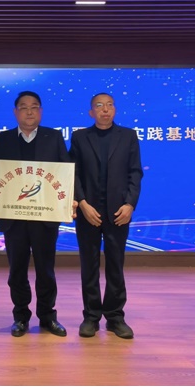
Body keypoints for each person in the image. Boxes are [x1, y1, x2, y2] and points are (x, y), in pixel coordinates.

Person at [0, 91, 72, 338]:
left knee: (46, 271)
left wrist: (68, 201)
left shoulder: (53, 137)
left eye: (34, 107)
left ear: (40, 111)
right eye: (23, 107)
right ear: (15, 112)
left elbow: (65, 172)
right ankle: (20, 317)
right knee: (17, 271)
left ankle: (47, 316)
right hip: (14, 219)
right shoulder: (2, 139)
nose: (29, 111)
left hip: (45, 217)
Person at [68, 92, 143, 339]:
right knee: (88, 266)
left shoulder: (128, 136)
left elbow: (135, 173)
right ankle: (91, 317)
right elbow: (73, 173)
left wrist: (130, 204)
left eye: (110, 105)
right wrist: (82, 203)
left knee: (115, 265)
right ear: (91, 112)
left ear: (115, 110)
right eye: (99, 106)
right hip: (88, 211)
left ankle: (115, 317)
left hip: (118, 212)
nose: (105, 109)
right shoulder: (80, 137)